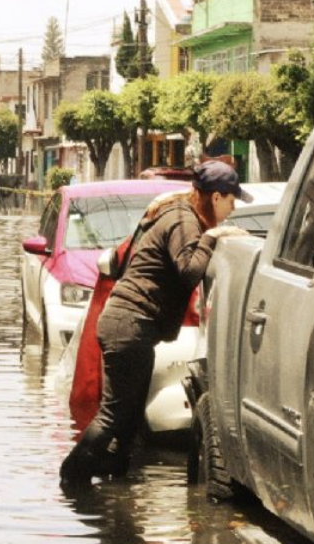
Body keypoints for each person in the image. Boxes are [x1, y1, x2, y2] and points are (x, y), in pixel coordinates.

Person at [59, 160, 249, 486]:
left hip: (130, 326)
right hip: (129, 324)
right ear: (216, 197)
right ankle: (71, 476)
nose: (232, 209)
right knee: (114, 416)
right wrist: (214, 236)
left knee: (129, 421)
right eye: (232, 201)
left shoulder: (181, 215)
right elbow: (189, 270)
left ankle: (112, 488)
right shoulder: (184, 220)